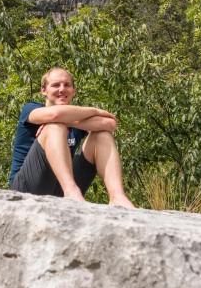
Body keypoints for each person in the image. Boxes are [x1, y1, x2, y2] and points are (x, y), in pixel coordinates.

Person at [9, 67, 134, 207]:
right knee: (55, 127)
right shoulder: (31, 109)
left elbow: (110, 124)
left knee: (102, 135)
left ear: (73, 91)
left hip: (58, 187)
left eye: (67, 85)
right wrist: (95, 111)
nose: (62, 89)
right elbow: (54, 115)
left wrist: (66, 119)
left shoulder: (76, 115)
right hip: (27, 189)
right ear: (44, 90)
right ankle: (71, 192)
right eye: (56, 85)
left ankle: (117, 197)